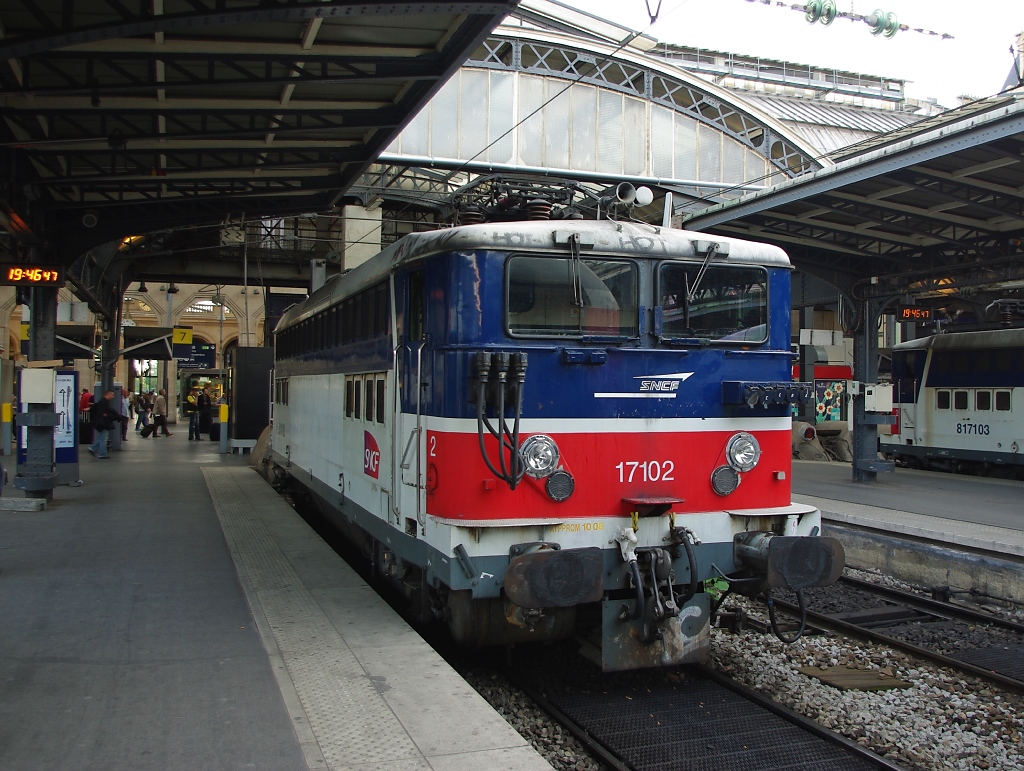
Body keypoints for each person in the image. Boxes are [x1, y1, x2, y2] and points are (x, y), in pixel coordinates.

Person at [88, 389, 121, 459]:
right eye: (112, 395)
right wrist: (108, 415)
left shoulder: (102, 401)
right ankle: (102, 453)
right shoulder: (104, 402)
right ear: (108, 394)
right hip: (103, 423)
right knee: (104, 438)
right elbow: (102, 413)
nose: (113, 397)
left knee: (103, 437)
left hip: (101, 422)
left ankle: (93, 448)